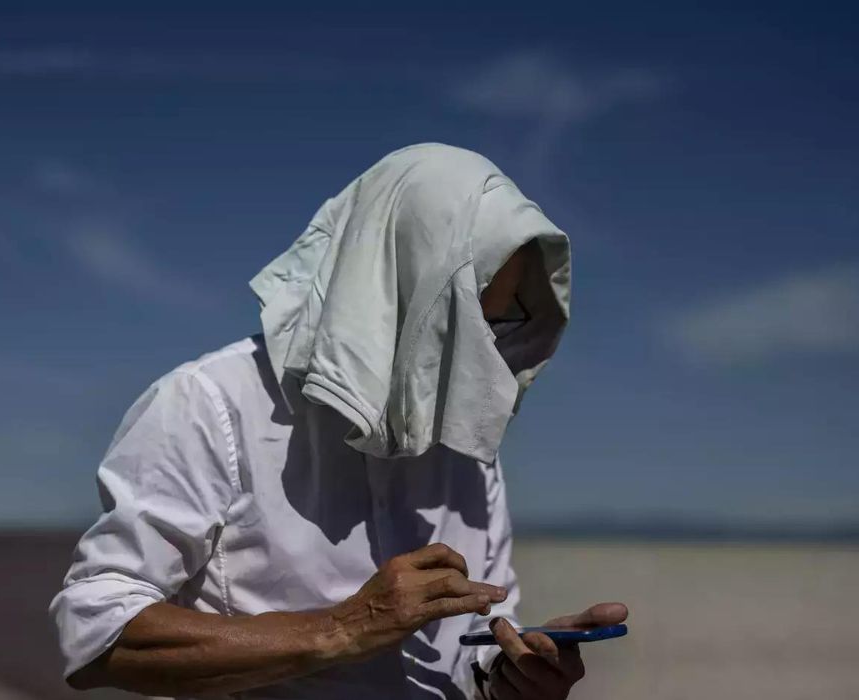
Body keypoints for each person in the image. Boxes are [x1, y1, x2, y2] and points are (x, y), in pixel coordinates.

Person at [51, 144, 628, 699]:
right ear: (392, 281)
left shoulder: (465, 444)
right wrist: (341, 629)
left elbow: (474, 640)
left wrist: (510, 675)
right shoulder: (209, 403)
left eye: (498, 324)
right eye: (463, 316)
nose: (479, 351)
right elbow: (98, 634)